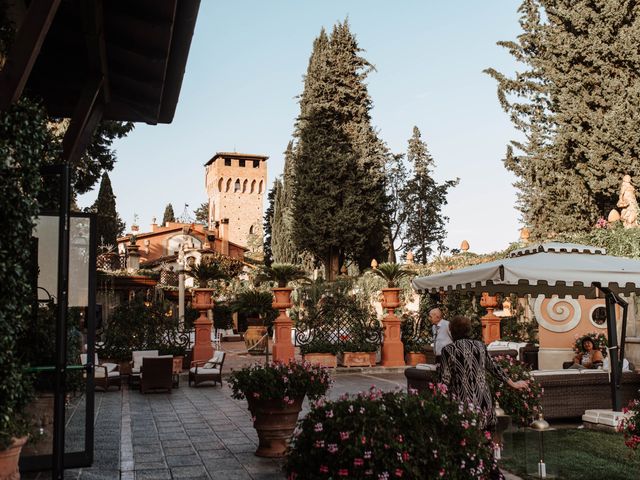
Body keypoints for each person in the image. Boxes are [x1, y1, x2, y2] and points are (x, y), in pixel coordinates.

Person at [438, 316, 528, 431]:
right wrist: (513, 384)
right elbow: (495, 368)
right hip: (483, 401)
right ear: (468, 330)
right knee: (486, 439)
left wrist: (439, 404)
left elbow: (444, 380)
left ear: (451, 331)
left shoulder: (448, 350)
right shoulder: (480, 346)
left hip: (462, 401)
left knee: (466, 438)